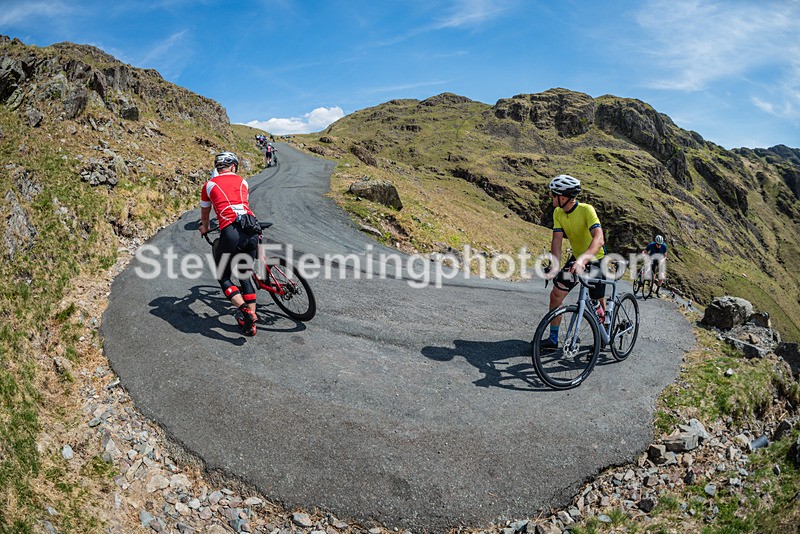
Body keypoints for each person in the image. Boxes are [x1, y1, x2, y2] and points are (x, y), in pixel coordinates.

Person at [539, 174, 606, 349]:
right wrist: (555, 266)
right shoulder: (558, 212)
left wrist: (583, 259)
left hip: (595, 259)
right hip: (577, 259)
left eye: (553, 194)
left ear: (563, 197)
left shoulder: (586, 210)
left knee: (596, 300)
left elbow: (599, 239)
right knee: (556, 294)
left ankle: (605, 329)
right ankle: (553, 339)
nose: (551, 197)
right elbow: (557, 241)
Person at [198, 152, 260, 336]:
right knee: (245, 276)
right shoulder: (243, 181)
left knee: (223, 276)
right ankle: (251, 324)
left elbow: (205, 214)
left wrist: (205, 227)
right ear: (233, 166)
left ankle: (245, 311)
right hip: (251, 228)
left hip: (231, 232)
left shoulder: (209, 185)